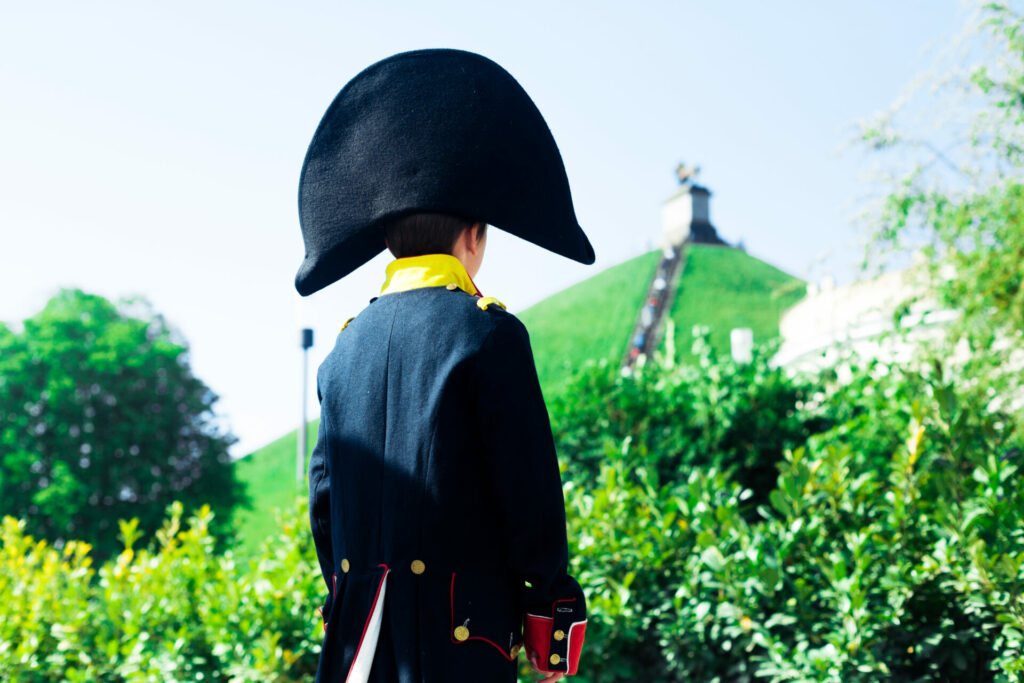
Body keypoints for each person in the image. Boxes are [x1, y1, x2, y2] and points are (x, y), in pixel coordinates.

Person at [295, 49, 594, 683]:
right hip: (463, 651)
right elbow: (529, 494)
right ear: (475, 235)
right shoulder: (489, 333)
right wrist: (549, 613)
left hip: (354, 651)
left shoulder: (340, 353)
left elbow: (324, 504)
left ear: (386, 239)